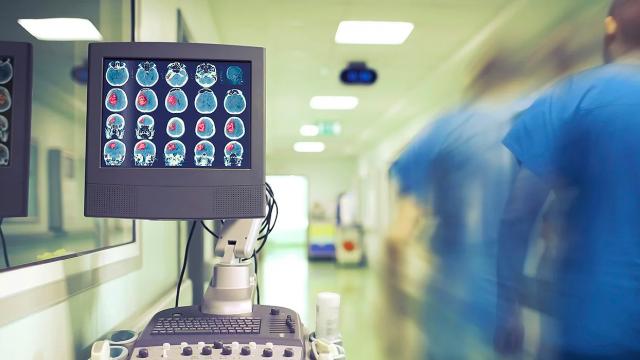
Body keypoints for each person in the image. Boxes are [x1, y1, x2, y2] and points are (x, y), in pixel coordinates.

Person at [496, 1, 640, 358]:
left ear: (610, 28)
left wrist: (507, 309)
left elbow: (518, 215)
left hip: (595, 321)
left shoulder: (572, 98)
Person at [387, 54, 537, 358]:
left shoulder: (447, 129)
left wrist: (395, 314)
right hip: (512, 301)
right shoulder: (539, 122)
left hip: (453, 295)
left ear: (476, 83)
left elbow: (397, 236)